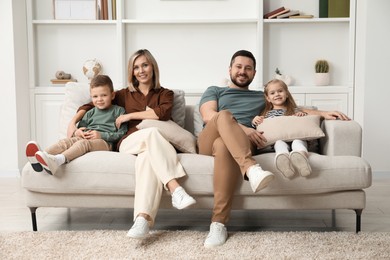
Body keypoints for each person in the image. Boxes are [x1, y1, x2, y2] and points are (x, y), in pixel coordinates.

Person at [198, 50, 350, 248]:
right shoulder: (216, 91)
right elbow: (209, 115)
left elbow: (292, 109)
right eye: (238, 67)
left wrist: (323, 113)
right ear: (230, 69)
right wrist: (243, 129)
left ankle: (218, 224)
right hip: (211, 138)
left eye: (248, 68)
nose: (243, 71)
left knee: (224, 146)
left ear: (254, 73)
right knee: (224, 116)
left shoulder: (262, 97)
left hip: (241, 145)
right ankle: (251, 169)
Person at [67, 49, 196, 239]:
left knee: (147, 158)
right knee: (150, 132)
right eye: (136, 67)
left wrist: (130, 115)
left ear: (153, 67)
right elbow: (92, 103)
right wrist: (73, 122)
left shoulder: (166, 94)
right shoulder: (123, 94)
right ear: (132, 71)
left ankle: (142, 220)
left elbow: (162, 113)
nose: (141, 70)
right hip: (129, 141)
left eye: (145, 65)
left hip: (157, 146)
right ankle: (175, 187)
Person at [25, 74, 128, 175]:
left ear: (112, 95)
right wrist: (78, 132)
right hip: (86, 137)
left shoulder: (119, 111)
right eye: (95, 96)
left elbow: (122, 133)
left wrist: (101, 135)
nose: (99, 99)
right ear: (91, 97)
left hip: (106, 143)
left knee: (83, 144)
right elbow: (80, 129)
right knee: (66, 142)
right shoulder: (90, 112)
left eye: (104, 95)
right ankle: (42, 156)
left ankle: (57, 160)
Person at [252, 79, 311, 179]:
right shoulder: (266, 114)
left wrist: (301, 115)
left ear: (287, 94)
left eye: (280, 91)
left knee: (298, 141)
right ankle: (284, 161)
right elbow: (258, 128)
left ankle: (301, 158)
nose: (277, 94)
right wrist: (255, 120)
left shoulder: (295, 110)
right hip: (279, 140)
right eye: (272, 93)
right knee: (279, 143)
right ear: (268, 98)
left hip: (296, 137)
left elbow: (305, 123)